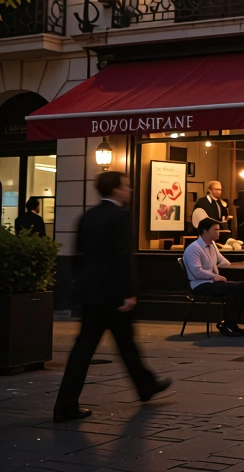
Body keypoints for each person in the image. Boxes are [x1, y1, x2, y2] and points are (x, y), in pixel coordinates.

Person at [53, 171, 170, 423]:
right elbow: (122, 257)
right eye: (126, 186)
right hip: (113, 294)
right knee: (125, 344)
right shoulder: (120, 217)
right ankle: (144, 387)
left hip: (90, 294)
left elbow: (77, 256)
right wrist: (128, 293)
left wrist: (82, 285)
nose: (129, 190)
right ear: (116, 189)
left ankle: (66, 403)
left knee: (88, 348)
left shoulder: (88, 216)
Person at [182, 218, 244, 335]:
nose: (219, 232)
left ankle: (230, 322)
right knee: (237, 288)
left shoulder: (212, 245)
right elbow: (196, 271)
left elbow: (224, 262)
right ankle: (229, 324)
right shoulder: (193, 249)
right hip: (200, 284)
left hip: (211, 282)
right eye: (216, 230)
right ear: (205, 231)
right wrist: (214, 277)